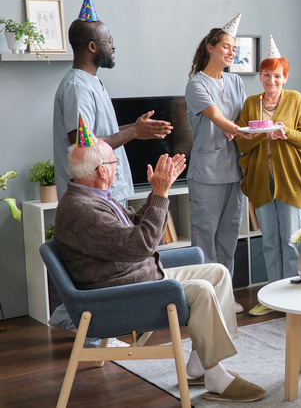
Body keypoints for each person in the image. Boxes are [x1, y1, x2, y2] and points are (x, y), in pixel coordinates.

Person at [53, 136, 266, 402]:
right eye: (114, 161)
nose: (117, 166)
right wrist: (163, 193)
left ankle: (201, 362)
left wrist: (157, 191)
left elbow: (135, 227)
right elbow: (143, 243)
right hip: (119, 295)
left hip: (139, 276)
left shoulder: (92, 196)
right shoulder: (81, 209)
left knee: (218, 273)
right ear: (102, 170)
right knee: (201, 290)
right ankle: (215, 377)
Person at [51, 0, 172, 339]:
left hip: (107, 190)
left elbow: (97, 134)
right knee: (97, 266)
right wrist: (134, 131)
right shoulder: (76, 86)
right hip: (92, 193)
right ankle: (83, 331)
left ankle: (86, 327)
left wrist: (135, 128)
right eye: (109, 41)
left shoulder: (94, 83)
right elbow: (82, 145)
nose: (113, 46)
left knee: (108, 263)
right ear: (92, 47)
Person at [235, 35, 301, 316]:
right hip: (260, 181)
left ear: (285, 77)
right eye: (267, 75)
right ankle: (271, 298)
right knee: (269, 242)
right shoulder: (250, 104)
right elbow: (242, 142)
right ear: (260, 76)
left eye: (277, 75)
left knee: (291, 241)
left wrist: (284, 133)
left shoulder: (295, 100)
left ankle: (291, 299)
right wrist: (261, 133)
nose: (272, 80)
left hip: (290, 179)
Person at [184, 14, 255, 313]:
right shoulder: (195, 85)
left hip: (233, 171)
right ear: (211, 47)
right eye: (226, 47)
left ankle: (224, 297)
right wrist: (235, 128)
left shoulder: (236, 81)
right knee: (204, 239)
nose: (231, 52)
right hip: (207, 173)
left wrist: (250, 129)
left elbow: (243, 117)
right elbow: (217, 117)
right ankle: (206, 300)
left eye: (234, 49)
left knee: (228, 238)